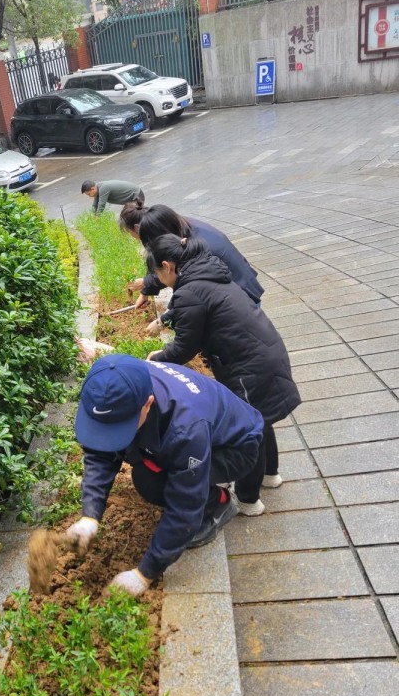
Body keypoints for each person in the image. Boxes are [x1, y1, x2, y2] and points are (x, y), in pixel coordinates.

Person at [66, 354, 264, 597]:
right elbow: (100, 452)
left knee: (151, 482)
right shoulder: (118, 384)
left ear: (147, 403)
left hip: (235, 448)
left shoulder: (186, 428)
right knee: (148, 471)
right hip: (202, 429)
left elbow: (185, 504)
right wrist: (90, 516)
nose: (112, 433)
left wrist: (144, 574)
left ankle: (219, 503)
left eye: (121, 426)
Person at [144, 234, 301, 514]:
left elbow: (184, 347)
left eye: (156, 273)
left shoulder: (190, 290)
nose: (158, 279)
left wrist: (155, 359)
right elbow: (193, 311)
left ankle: (249, 500)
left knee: (248, 429)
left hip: (248, 366)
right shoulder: (207, 273)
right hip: (264, 352)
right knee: (261, 418)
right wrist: (165, 321)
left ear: (167, 266)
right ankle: (270, 475)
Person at [120, 201, 263, 312]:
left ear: (138, 228)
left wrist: (166, 317)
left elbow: (176, 275)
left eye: (130, 233)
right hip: (241, 283)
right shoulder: (174, 225)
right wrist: (146, 291)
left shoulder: (189, 248)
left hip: (240, 294)